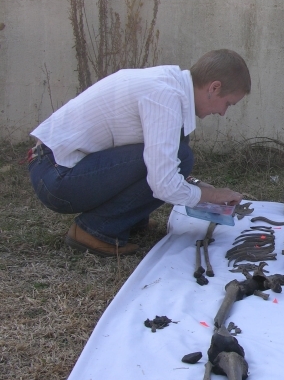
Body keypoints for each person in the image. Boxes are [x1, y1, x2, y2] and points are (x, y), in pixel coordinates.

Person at [27, 49, 250, 257]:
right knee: (182, 156)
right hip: (58, 178)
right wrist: (211, 196)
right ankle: (94, 230)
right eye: (228, 104)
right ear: (214, 87)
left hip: (58, 168)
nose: (222, 113)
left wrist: (199, 187)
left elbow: (159, 160)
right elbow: (163, 183)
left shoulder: (170, 86)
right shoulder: (165, 98)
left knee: (179, 149)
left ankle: (129, 219)